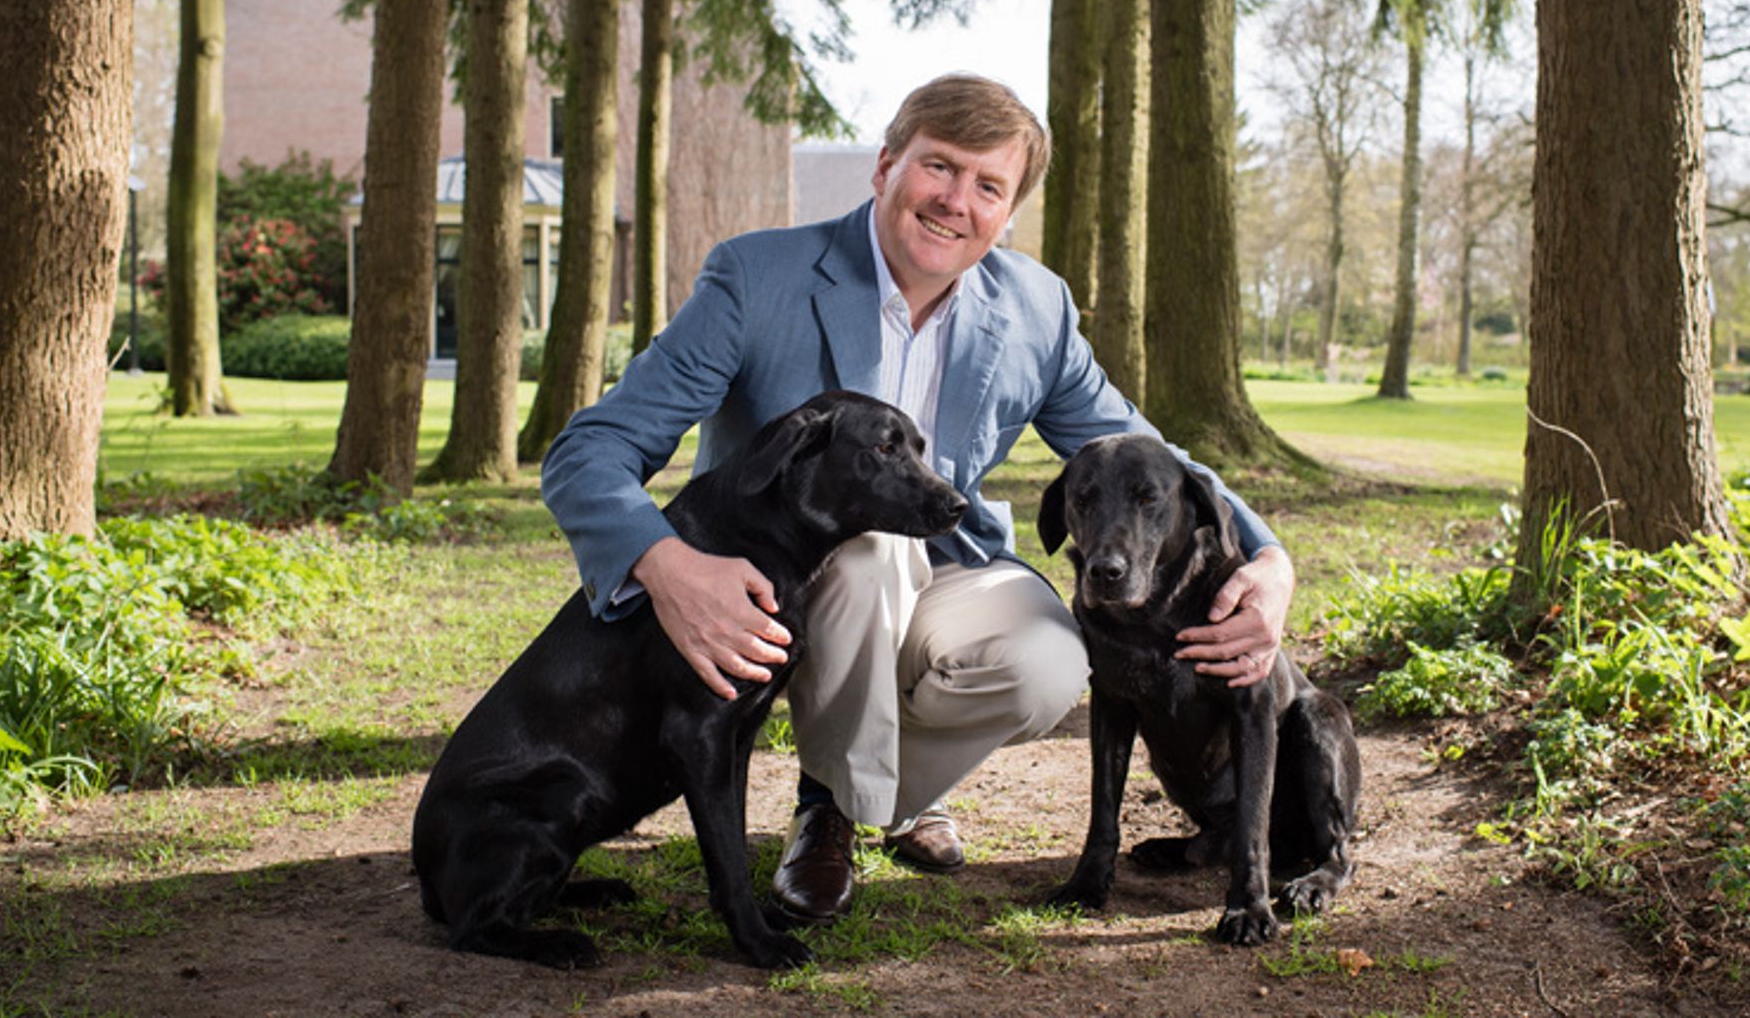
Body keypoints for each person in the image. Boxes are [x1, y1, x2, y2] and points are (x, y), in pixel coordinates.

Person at [541, 73, 1296, 926]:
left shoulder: (1037, 311)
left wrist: (1270, 562)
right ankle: (829, 806)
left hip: (948, 571)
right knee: (869, 550)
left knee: (1052, 658)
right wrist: (668, 564)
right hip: (788, 590)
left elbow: (1156, 452)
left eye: (988, 186)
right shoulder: (759, 277)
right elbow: (590, 450)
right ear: (886, 167)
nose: (956, 202)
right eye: (939, 167)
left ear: (1007, 213)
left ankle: (875, 797)